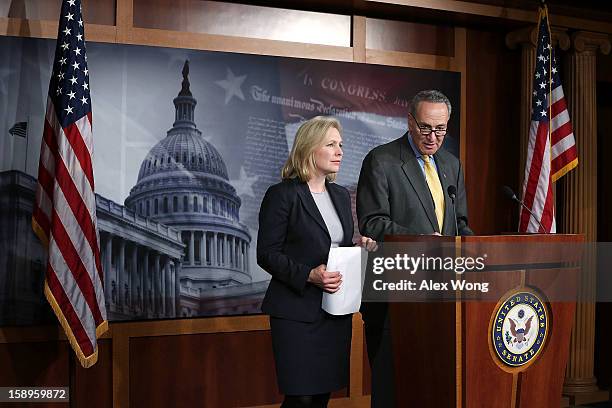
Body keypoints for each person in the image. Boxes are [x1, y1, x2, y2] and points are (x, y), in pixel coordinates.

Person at [356, 89, 473, 407]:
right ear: (409, 121)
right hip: (396, 296)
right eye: (425, 128)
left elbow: (459, 224)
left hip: (442, 298)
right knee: (394, 390)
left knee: (434, 387)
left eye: (440, 129)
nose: (433, 137)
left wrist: (474, 250)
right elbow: (374, 223)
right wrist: (424, 243)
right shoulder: (382, 160)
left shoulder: (451, 164)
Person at [257, 116, 377, 408]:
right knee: (301, 397)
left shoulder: (339, 194)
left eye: (341, 145)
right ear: (310, 148)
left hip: (334, 312)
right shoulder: (282, 194)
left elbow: (336, 247)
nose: (340, 151)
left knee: (322, 396)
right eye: (331, 144)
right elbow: (267, 253)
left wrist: (360, 246)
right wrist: (309, 275)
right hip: (296, 313)